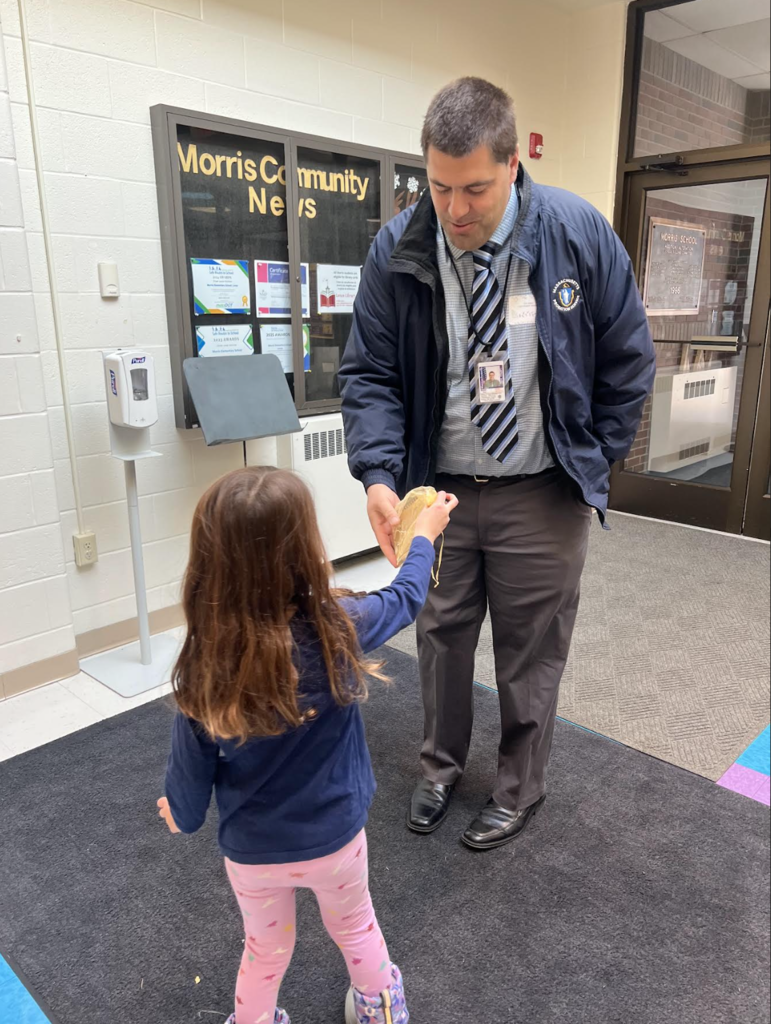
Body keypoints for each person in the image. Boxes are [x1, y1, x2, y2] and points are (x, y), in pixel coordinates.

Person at [339, 77, 655, 852]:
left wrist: (590, 459)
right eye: (439, 186)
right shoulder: (400, 245)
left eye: (473, 187)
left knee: (530, 646)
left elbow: (628, 359)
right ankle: (440, 768)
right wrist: (381, 477)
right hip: (437, 489)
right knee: (440, 636)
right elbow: (369, 373)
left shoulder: (576, 232)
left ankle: (518, 787)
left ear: (512, 165)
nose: (454, 209)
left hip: (540, 493)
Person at [156, 466, 457, 1024]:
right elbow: (408, 595)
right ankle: (381, 1012)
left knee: (265, 953)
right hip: (335, 838)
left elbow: (189, 790)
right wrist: (422, 539)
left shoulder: (203, 665)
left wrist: (177, 810)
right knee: (356, 926)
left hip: (253, 851)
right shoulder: (339, 627)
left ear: (208, 564)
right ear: (304, 550)